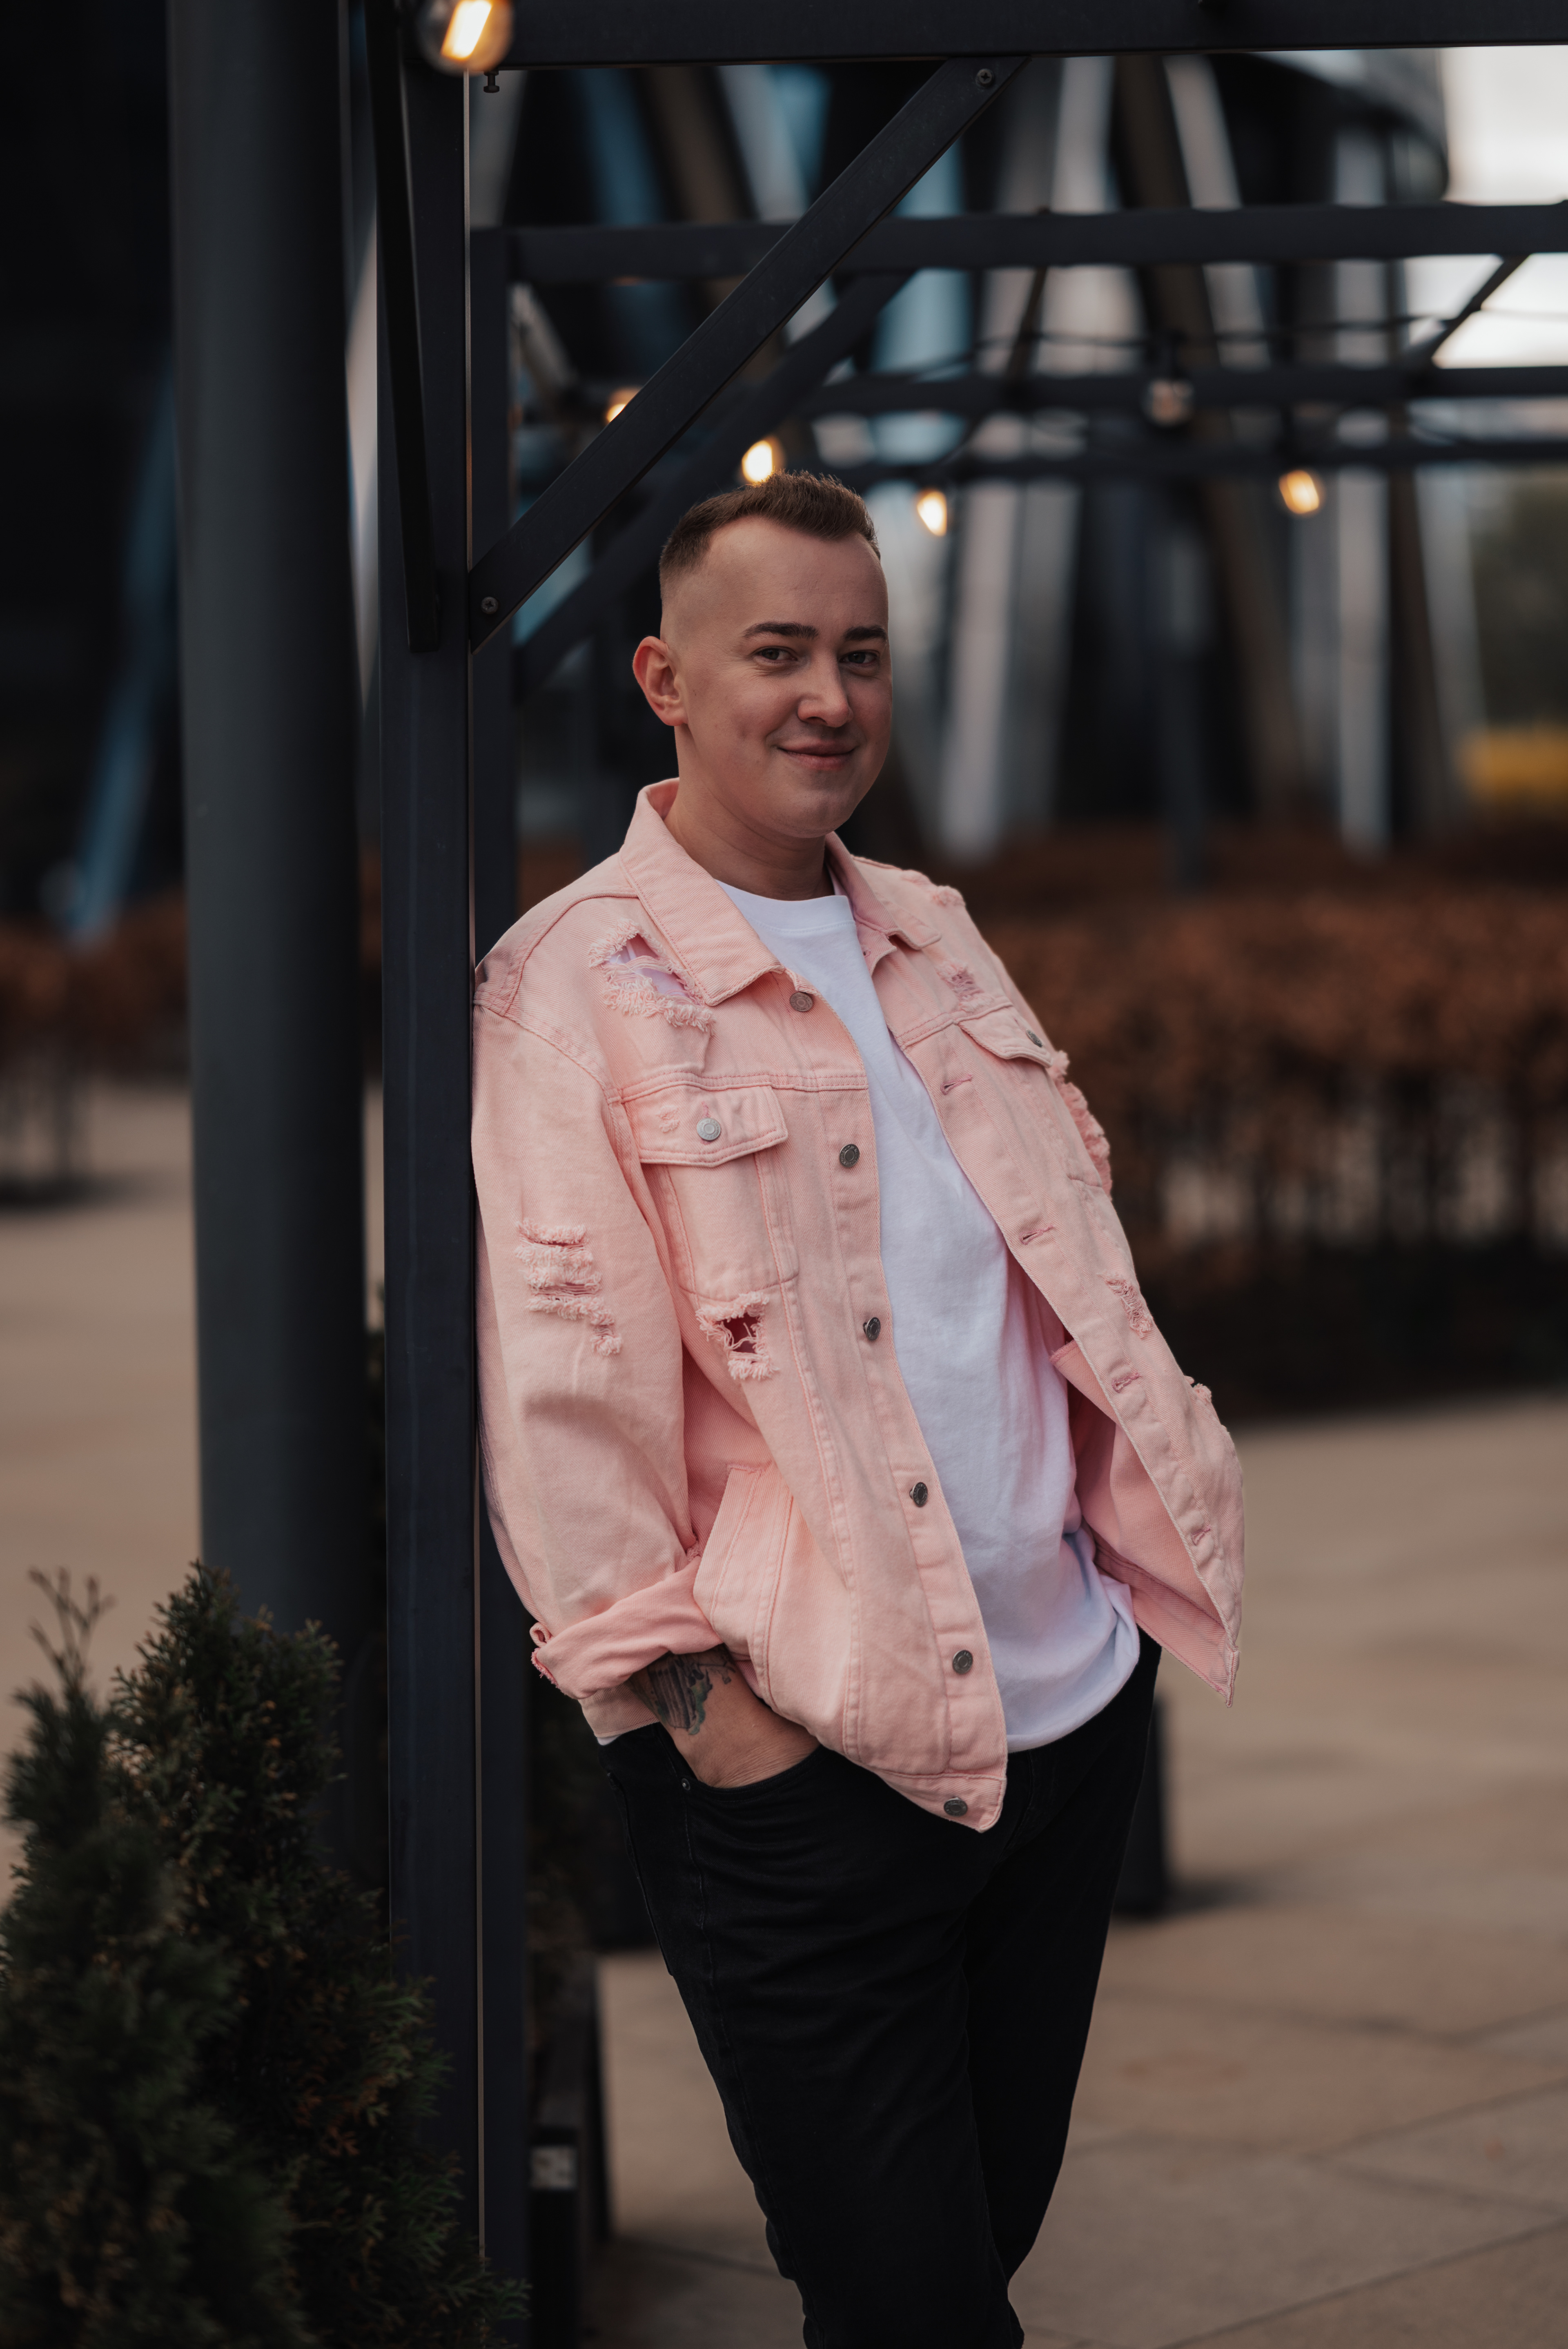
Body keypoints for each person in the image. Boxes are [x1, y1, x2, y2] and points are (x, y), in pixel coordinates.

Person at [472, 471, 1243, 2348]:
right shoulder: (575, 987)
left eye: (863, 653)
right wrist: (711, 1725)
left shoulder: (934, 932)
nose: (830, 696)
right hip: (807, 1759)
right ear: (665, 678)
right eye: (780, 652)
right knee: (910, 2301)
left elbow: (1055, 1272)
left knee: (975, 2249)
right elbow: (566, 1411)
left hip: (1065, 1719)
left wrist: (1129, 1604)